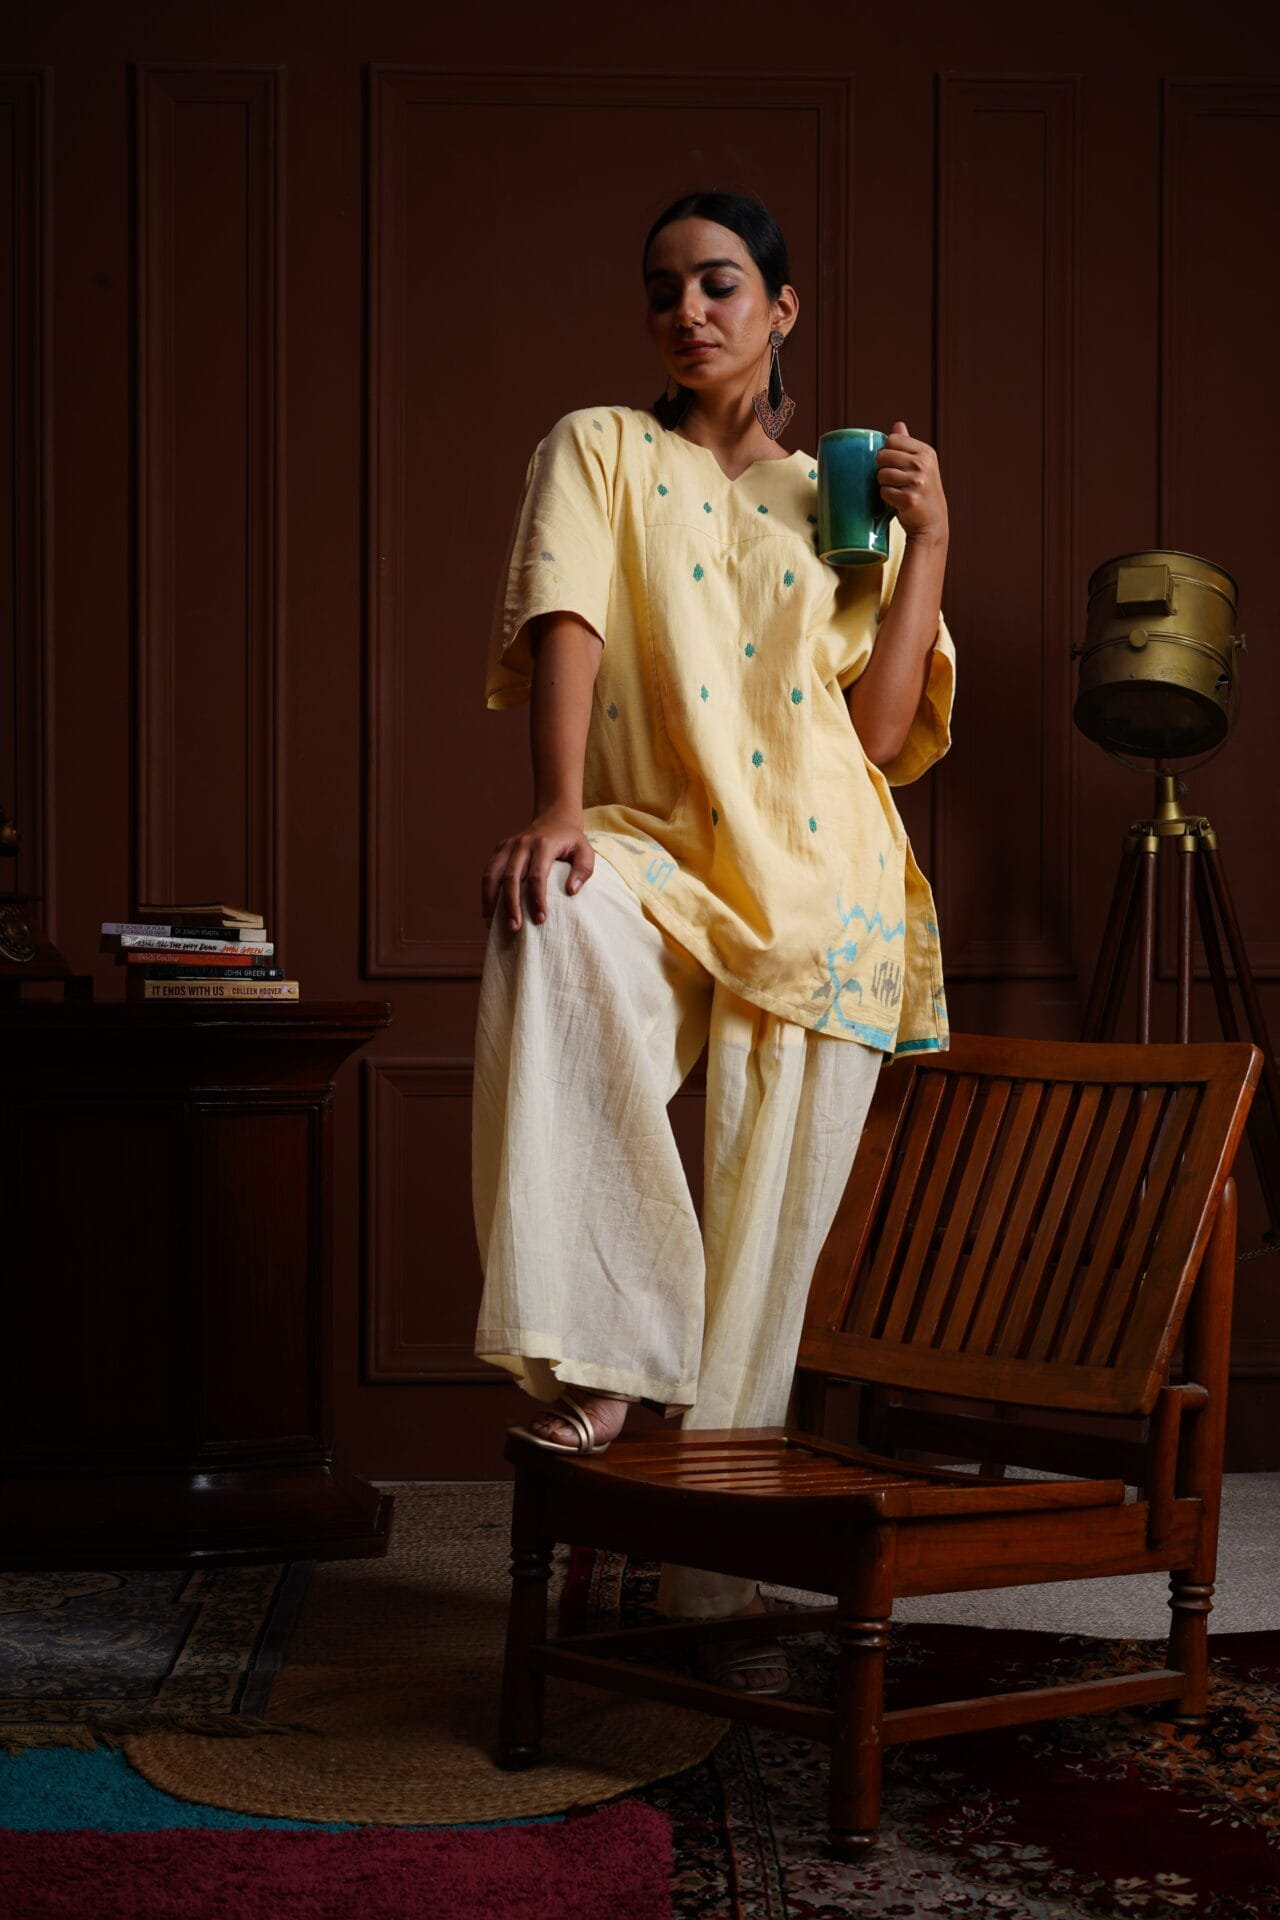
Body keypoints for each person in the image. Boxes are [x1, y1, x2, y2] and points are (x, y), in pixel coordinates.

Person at [472, 189, 955, 1693]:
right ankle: (615, 1359)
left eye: (722, 283)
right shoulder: (600, 450)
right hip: (661, 844)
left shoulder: (838, 495)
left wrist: (931, 543)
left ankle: (705, 1599)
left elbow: (881, 736)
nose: (689, 309)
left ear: (782, 308)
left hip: (827, 888)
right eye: (665, 287)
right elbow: (567, 614)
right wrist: (560, 805)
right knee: (555, 920)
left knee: (767, 1257)